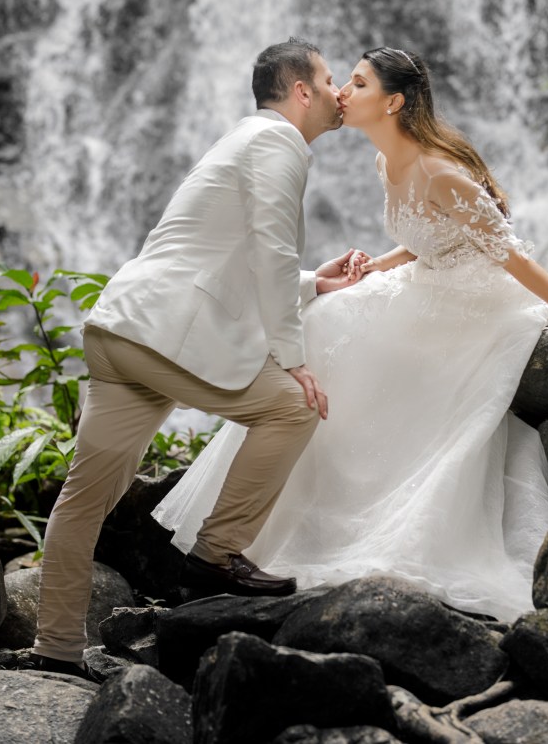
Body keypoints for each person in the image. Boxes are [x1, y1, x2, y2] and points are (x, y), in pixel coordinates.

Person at [154, 46, 548, 623]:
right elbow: (424, 239)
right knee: (325, 318)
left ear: (392, 101)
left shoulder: (442, 171)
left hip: (472, 301)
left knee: (332, 326)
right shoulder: (387, 161)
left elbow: (509, 256)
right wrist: (375, 268)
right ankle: (262, 524)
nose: (341, 93)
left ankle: (335, 513)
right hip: (427, 280)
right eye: (342, 81)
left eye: (356, 83)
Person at [26, 38, 363, 679]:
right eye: (327, 78)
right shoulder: (278, 143)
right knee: (293, 407)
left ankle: (55, 649)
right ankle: (214, 559)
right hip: (161, 337)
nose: (337, 91)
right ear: (300, 91)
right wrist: (293, 358)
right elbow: (265, 248)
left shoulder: (241, 140)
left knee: (83, 499)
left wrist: (314, 283)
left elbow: (216, 258)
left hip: (121, 329)